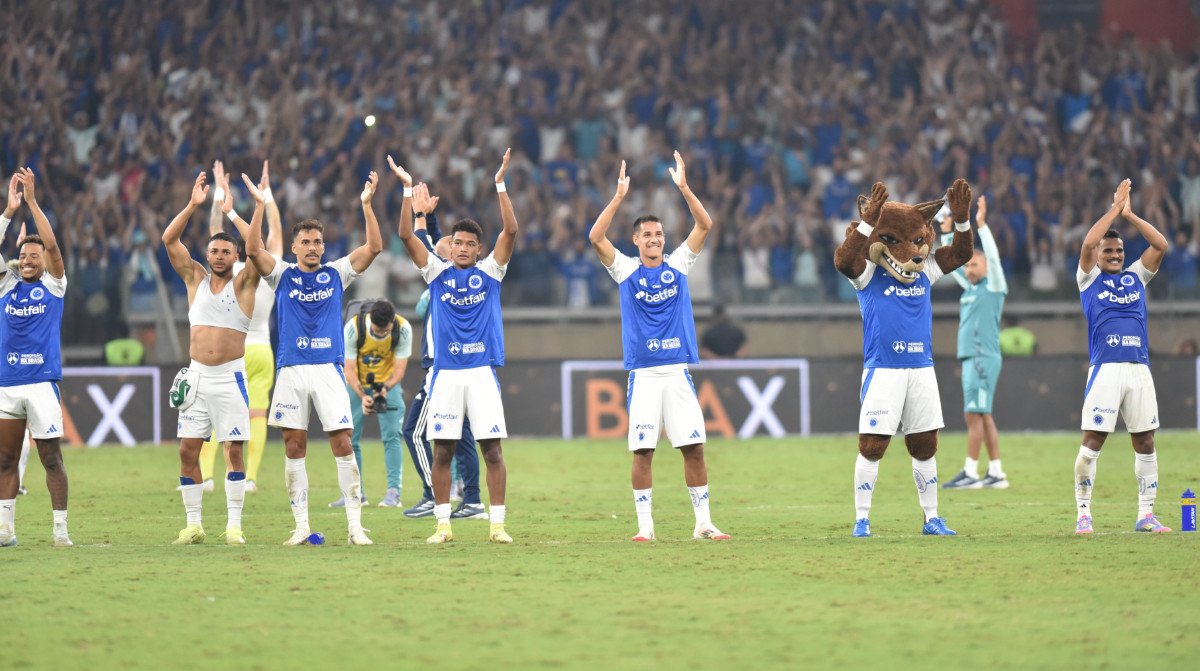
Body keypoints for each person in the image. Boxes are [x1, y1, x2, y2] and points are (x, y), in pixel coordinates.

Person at [588, 153, 731, 542]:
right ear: (636, 240)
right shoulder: (625, 270)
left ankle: (703, 523)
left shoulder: (678, 265)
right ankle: (645, 527)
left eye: (658, 234)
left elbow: (705, 224)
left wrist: (684, 188)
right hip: (645, 376)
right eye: (647, 234)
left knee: (694, 449)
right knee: (643, 452)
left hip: (677, 373)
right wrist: (618, 198)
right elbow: (596, 237)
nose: (654, 238)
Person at [242, 167, 383, 546]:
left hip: (328, 370)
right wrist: (259, 206)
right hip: (291, 370)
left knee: (343, 444)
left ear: (323, 246)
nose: (312, 247)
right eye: (305, 241)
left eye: (317, 241)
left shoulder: (337, 273)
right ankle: (301, 526)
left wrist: (367, 205)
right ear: (294, 247)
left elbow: (374, 247)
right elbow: (253, 250)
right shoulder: (282, 275)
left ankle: (355, 527)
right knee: (294, 447)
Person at [832, 179, 975, 538]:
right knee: (872, 447)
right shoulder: (868, 275)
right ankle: (862, 519)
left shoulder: (926, 271)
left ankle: (932, 518)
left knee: (926, 446)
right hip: (883, 371)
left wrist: (962, 220)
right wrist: (869, 221)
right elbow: (844, 260)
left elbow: (961, 254)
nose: (911, 253)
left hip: (922, 370)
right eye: (897, 242)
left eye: (916, 242)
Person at [393, 150, 517, 544]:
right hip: (445, 375)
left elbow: (510, 231)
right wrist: (407, 192)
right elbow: (405, 236)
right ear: (451, 247)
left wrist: (500, 183)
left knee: (492, 451)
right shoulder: (436, 273)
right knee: (442, 452)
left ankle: (497, 525)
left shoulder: (491, 272)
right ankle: (443, 525)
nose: (462, 248)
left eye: (469, 244)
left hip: (481, 374)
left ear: (479, 249)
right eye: (457, 242)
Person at [163, 171, 262, 545]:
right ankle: (193, 525)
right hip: (197, 377)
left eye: (226, 252)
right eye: (215, 251)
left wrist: (237, 213)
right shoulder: (195, 278)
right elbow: (169, 239)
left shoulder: (245, 282)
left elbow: (258, 248)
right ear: (207, 254)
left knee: (233, 451)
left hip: (229, 378)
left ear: (236, 256)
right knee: (188, 451)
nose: (219, 256)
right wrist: (192, 205)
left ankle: (234, 526)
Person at [1072, 179, 1171, 535]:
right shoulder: (1088, 280)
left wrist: (1130, 215)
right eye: (1108, 251)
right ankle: (1084, 514)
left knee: (1145, 441)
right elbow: (1087, 243)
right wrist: (1114, 209)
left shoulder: (1136, 278)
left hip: (1139, 369)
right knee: (1093, 442)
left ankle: (1146, 515)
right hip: (1106, 370)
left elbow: (1160, 245)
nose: (1114, 255)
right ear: (1098, 256)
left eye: (1118, 251)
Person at [400, 183, 486, 521]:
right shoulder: (447, 272)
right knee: (462, 437)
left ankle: (432, 492)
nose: (455, 248)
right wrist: (429, 218)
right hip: (451, 364)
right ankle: (473, 498)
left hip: (444, 366)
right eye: (454, 244)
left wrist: (421, 216)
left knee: (414, 431)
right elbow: (434, 245)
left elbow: (425, 246)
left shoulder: (447, 276)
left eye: (463, 244)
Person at [197, 160, 282, 495]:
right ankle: (250, 479)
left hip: (231, 349)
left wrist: (220, 193)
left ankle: (206, 477)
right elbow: (276, 234)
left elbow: (214, 233)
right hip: (261, 349)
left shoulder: (230, 270)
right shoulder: (267, 271)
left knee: (215, 412)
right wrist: (267, 196)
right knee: (257, 414)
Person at [0, 169, 72, 548]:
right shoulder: (5, 285)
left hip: (42, 383)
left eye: (34, 255)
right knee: (5, 460)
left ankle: (60, 532)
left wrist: (31, 201)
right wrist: (9, 212)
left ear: (44, 261)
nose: (27, 260)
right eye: (23, 255)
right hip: (7, 384)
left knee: (51, 459)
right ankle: (5, 530)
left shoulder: (54, 287)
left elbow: (54, 247)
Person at [938, 195, 1010, 490]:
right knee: (983, 414)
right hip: (976, 357)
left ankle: (970, 471)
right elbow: (951, 263)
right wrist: (946, 233)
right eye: (967, 266)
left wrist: (981, 226)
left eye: (974, 264)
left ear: (986, 266)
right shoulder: (970, 287)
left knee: (973, 414)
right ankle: (996, 472)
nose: (969, 269)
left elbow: (993, 258)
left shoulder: (994, 287)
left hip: (981, 358)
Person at [337, 299, 411, 508]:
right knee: (350, 437)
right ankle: (356, 493)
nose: (382, 335)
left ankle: (393, 493)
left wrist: (385, 388)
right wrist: (363, 396)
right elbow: (349, 369)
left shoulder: (403, 329)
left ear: (392, 322)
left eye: (386, 331)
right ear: (370, 321)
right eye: (378, 332)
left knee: (392, 437)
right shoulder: (354, 328)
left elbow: (399, 369)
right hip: (357, 383)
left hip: (388, 383)